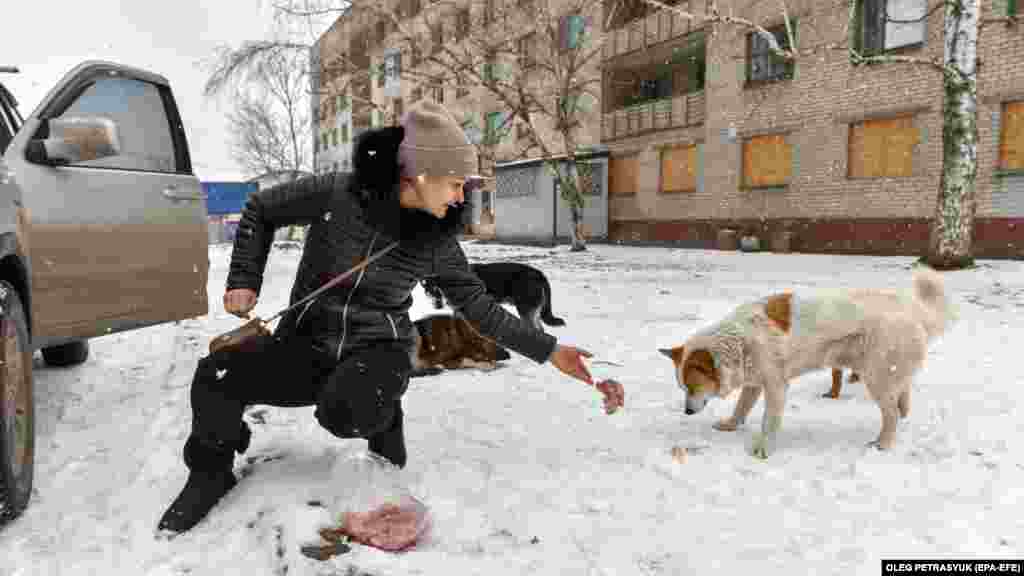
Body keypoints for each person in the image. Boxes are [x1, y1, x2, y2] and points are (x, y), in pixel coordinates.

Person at [156, 100, 599, 536]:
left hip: (377, 350)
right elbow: (260, 210)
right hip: (306, 343)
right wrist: (244, 280)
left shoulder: (436, 241)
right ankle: (210, 474)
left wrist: (551, 350)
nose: (462, 195)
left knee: (348, 409)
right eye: (455, 183)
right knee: (217, 373)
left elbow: (478, 307)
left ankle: (383, 421)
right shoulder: (337, 193)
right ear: (418, 175)